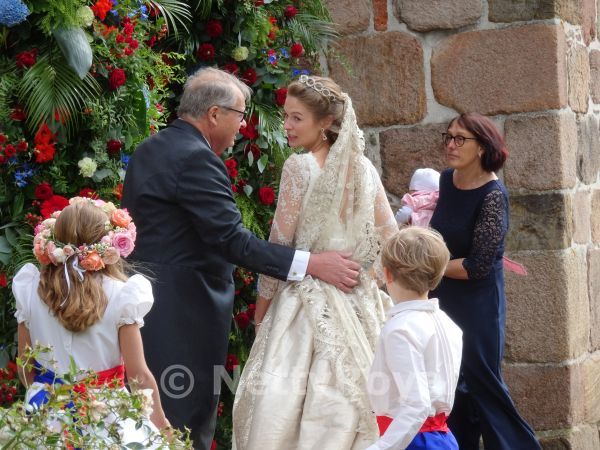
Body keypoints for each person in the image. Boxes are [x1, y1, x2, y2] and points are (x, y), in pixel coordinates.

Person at [121, 67, 362, 448]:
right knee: (181, 424)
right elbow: (232, 240)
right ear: (214, 114)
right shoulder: (195, 158)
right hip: (183, 316)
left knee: (151, 421)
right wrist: (312, 263)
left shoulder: (153, 147)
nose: (243, 126)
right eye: (240, 115)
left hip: (153, 308)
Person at [232, 75, 398, 450]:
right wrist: (369, 280)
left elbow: (278, 246)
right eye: (286, 117)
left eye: (296, 118)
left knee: (288, 408)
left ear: (324, 123)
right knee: (351, 407)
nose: (286, 126)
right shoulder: (365, 171)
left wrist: (261, 316)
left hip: (305, 307)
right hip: (360, 301)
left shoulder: (300, 167)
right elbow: (392, 239)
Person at [12, 198, 172, 447]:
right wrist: (163, 426)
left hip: (47, 412)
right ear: (107, 244)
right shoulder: (122, 295)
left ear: (55, 239)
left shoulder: (30, 289)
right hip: (105, 414)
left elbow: (24, 364)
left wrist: (47, 394)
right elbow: (138, 374)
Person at [429, 113, 541, 450]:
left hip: (478, 307)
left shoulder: (494, 195)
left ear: (482, 147)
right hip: (443, 299)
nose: (450, 144)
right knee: (452, 387)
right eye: (448, 136)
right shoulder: (448, 181)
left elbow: (478, 265)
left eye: (460, 139)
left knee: (484, 386)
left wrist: (429, 263)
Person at [366, 226, 462, 450]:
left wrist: (380, 447)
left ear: (387, 274)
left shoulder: (400, 330)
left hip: (411, 441)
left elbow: (417, 405)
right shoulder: (448, 323)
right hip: (441, 438)